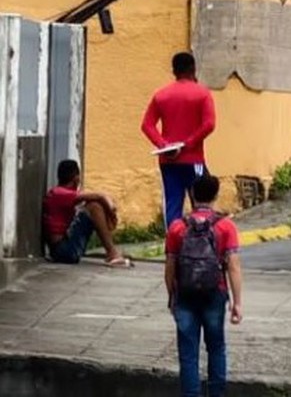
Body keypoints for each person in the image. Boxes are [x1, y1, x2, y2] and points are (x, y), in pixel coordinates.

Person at [164, 174, 242, 397]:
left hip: (185, 295)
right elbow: (234, 266)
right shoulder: (226, 227)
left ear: (192, 195)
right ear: (216, 196)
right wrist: (237, 303)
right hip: (215, 293)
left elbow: (170, 267)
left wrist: (172, 296)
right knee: (216, 347)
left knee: (188, 354)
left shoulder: (178, 227)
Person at [142, 52, 216, 228]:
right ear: (193, 69)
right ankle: (201, 240)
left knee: (172, 202)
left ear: (174, 71)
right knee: (200, 202)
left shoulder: (161, 95)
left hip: (168, 159)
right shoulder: (202, 94)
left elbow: (147, 125)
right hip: (193, 159)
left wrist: (163, 145)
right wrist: (189, 143)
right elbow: (209, 124)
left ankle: (172, 246)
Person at [42, 159, 131, 267]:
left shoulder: (56, 193)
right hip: (64, 252)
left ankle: (113, 251)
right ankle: (113, 253)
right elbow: (100, 196)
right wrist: (111, 210)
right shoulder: (62, 194)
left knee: (91, 207)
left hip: (60, 250)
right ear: (76, 179)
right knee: (94, 207)